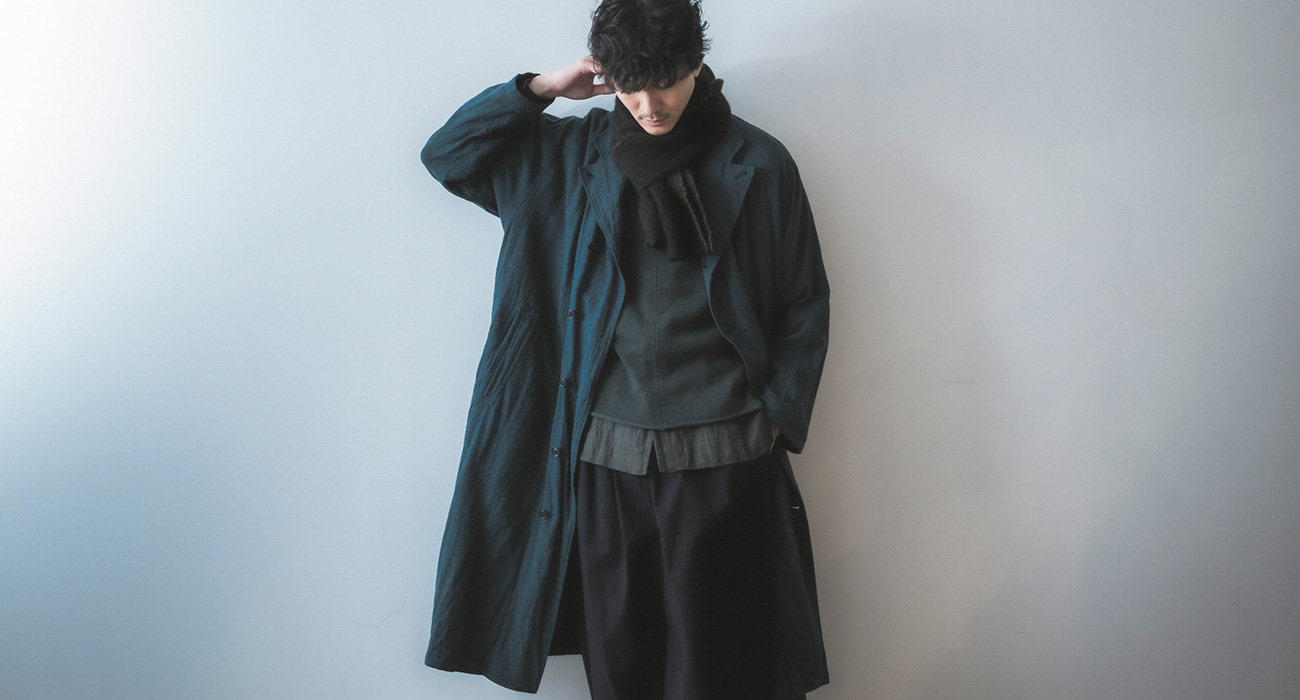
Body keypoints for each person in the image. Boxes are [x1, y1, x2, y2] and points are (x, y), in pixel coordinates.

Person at [418, 1, 830, 698]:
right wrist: (541, 88)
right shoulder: (564, 157)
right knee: (620, 665)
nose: (649, 104)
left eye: (665, 82)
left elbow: (804, 299)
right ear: (608, 76)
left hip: (725, 455)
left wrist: (775, 419)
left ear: (695, 65)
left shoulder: (758, 162)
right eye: (631, 85)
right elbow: (448, 155)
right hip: (603, 458)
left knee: (723, 670)